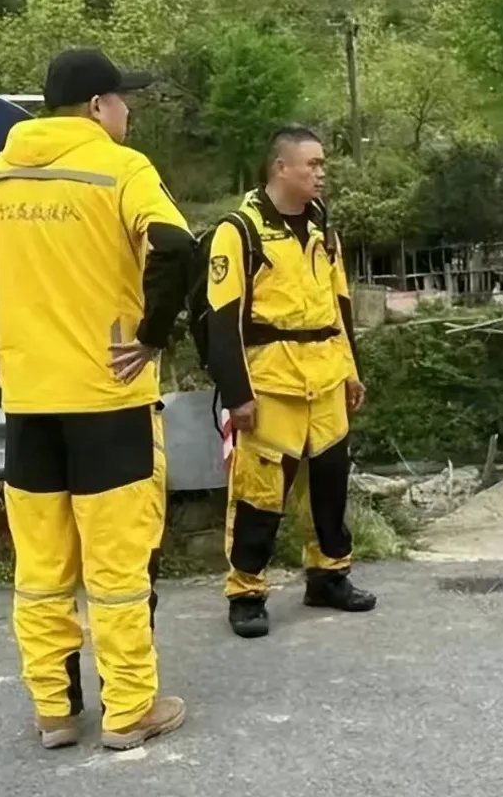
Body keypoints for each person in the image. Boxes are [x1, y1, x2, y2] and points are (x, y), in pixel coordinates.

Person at [0, 48, 196, 751]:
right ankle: (129, 710)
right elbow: (176, 247)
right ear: (98, 107)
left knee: (41, 567)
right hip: (109, 400)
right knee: (116, 565)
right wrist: (153, 336)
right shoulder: (121, 169)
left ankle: (55, 712)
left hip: (30, 403)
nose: (127, 111)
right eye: (123, 100)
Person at [208, 125, 375, 640]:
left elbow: (339, 306)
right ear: (281, 167)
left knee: (329, 485)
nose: (322, 172)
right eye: (313, 164)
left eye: (323, 164)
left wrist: (350, 370)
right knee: (260, 495)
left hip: (324, 377)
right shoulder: (239, 231)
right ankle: (247, 591)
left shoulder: (325, 231)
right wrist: (237, 395)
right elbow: (222, 319)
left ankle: (328, 574)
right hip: (271, 383)